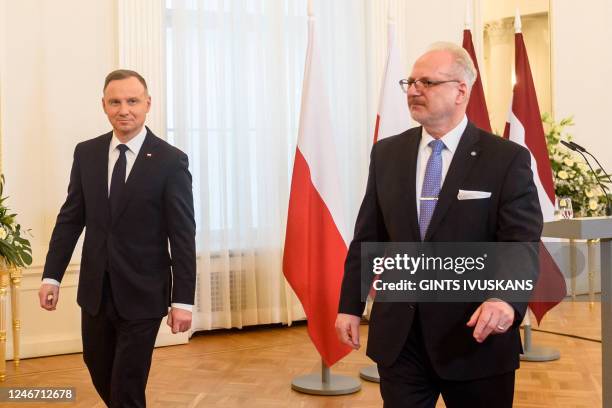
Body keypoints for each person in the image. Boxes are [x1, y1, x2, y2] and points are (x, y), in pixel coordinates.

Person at [335, 42, 542, 407]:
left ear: (461, 90)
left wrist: (505, 299)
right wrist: (350, 304)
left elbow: (519, 240)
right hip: (401, 340)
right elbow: (371, 235)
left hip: (474, 337)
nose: (413, 90)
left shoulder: (505, 159)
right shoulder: (387, 154)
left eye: (426, 82)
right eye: (410, 82)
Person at [38, 69, 196, 408]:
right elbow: (70, 221)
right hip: (96, 291)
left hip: (144, 292)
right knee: (98, 368)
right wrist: (51, 275)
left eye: (132, 101)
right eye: (115, 102)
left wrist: (183, 300)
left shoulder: (170, 161)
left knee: (126, 380)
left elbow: (183, 235)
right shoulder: (87, 153)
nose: (124, 109)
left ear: (148, 103)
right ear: (104, 106)